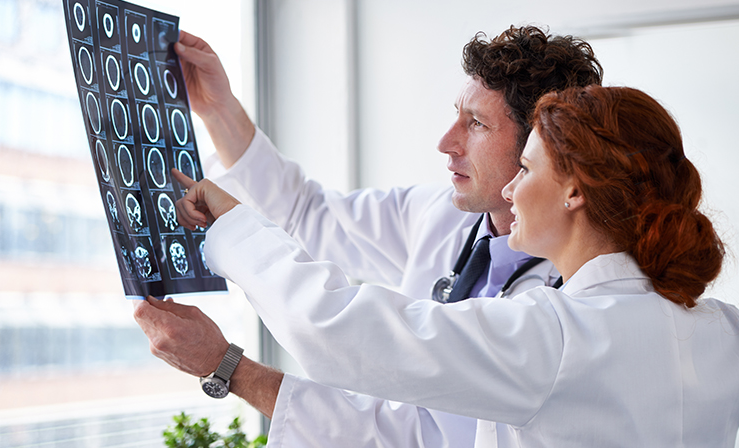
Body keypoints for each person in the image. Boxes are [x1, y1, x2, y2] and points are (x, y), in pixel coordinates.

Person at [169, 85, 739, 447]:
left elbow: (338, 327)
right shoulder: (723, 330)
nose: (513, 191)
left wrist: (231, 225)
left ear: (575, 191)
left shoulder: (551, 336)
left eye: (525, 171)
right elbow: (313, 217)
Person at [136, 25, 602, 446]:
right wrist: (219, 110)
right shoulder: (441, 216)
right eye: (457, 115)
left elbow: (366, 370)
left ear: (541, 148)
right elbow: (306, 213)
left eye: (476, 124)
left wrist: (226, 364)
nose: (446, 142)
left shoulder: (575, 300)